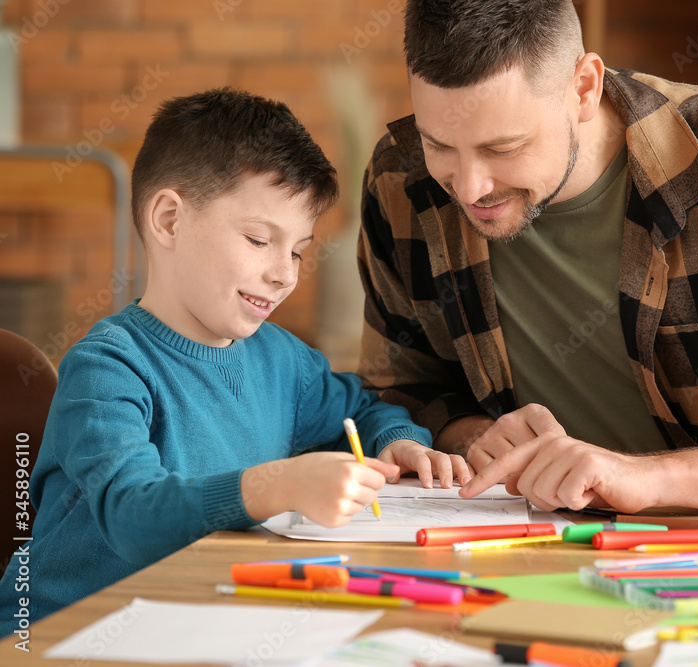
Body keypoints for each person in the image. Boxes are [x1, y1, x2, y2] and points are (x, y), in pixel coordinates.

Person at [356, 0, 698, 517]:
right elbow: (400, 391)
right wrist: (471, 434)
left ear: (583, 87)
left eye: (503, 149)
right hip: (518, 540)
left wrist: (644, 479)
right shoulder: (399, 179)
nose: (471, 187)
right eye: (440, 145)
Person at [0, 88, 468, 632]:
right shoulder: (106, 369)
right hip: (60, 635)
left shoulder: (284, 363)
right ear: (170, 220)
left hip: (195, 628)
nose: (285, 273)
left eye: (297, 249)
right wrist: (280, 485)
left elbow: (362, 409)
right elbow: (131, 516)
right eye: (258, 239)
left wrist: (398, 442)